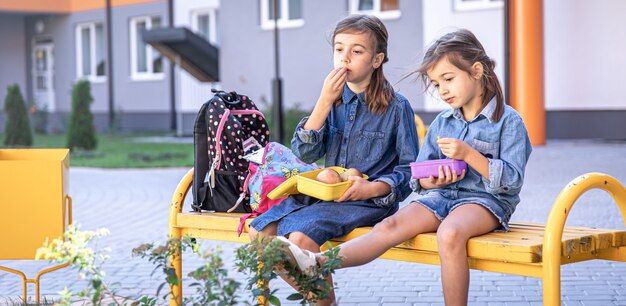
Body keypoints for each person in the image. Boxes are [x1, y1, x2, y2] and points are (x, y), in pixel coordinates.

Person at [279, 28, 533, 305]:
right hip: (441, 197)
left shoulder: (509, 121)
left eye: (448, 79)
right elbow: (418, 174)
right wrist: (431, 181)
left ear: (476, 71)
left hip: (486, 202)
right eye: (437, 84)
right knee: (390, 225)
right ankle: (315, 263)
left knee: (449, 234)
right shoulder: (443, 122)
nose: (443, 90)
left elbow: (512, 180)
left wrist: (471, 156)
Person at [248, 14, 419, 304]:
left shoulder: (396, 107)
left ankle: (321, 301)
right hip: (324, 193)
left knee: (301, 240)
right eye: (339, 49)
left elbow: (410, 170)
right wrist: (324, 101)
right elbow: (305, 153)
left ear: (377, 60)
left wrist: (375, 187)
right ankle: (324, 301)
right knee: (258, 235)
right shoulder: (333, 99)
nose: (345, 58)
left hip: (368, 200)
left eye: (356, 50)